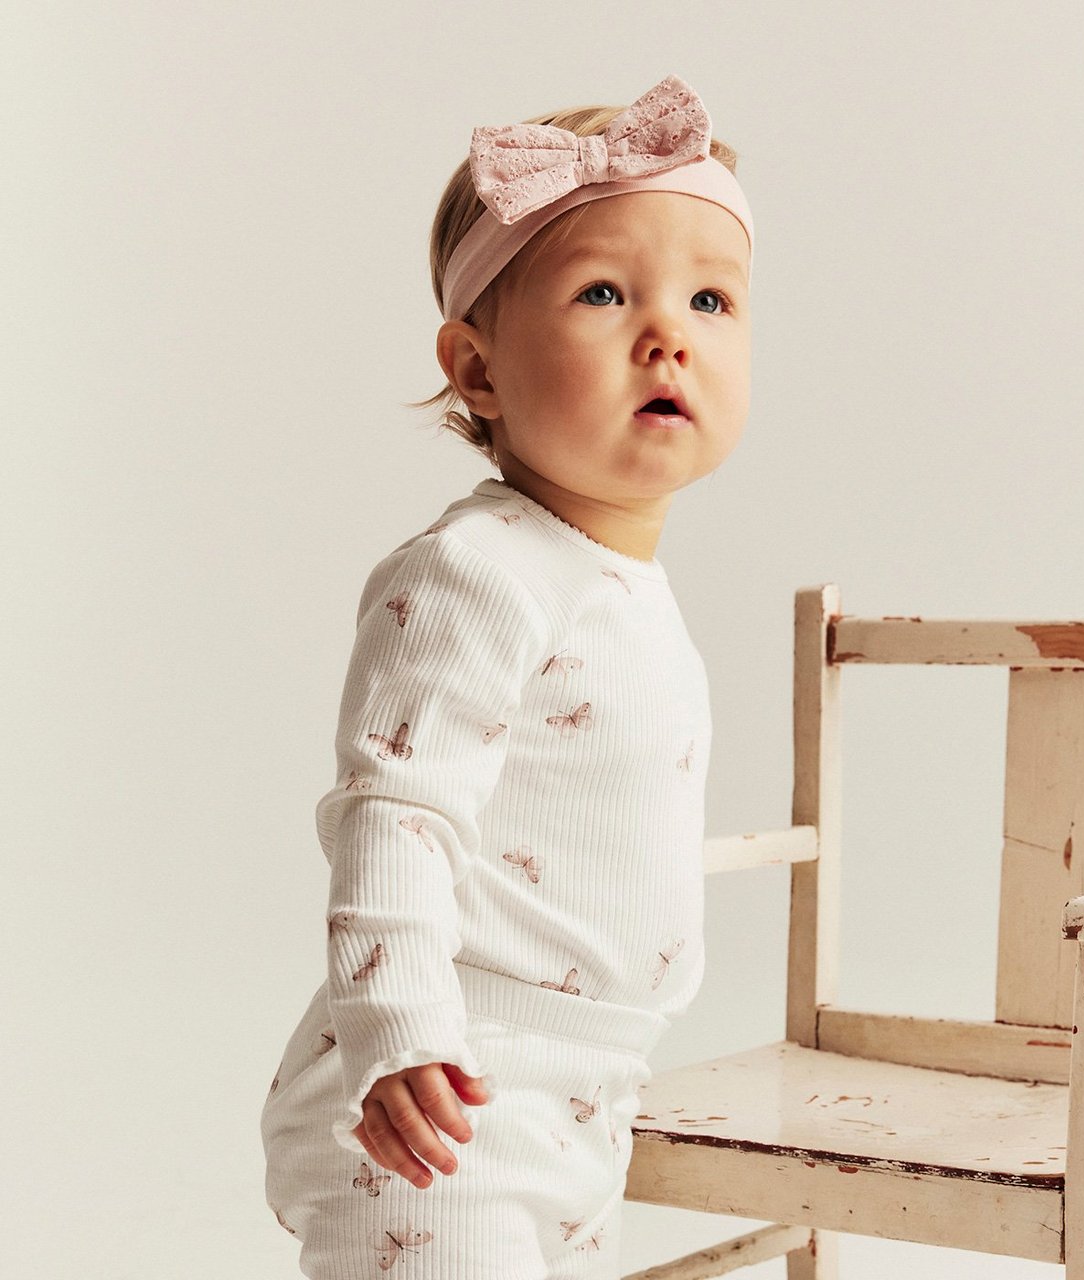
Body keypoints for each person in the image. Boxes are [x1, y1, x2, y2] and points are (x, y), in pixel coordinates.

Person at [260, 72, 753, 1279]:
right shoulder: (475, 572)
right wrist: (399, 1031)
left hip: (584, 1090)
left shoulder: (620, 583)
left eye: (709, 297)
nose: (667, 331)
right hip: (443, 1094)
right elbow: (393, 810)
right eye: (601, 292)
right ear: (476, 372)